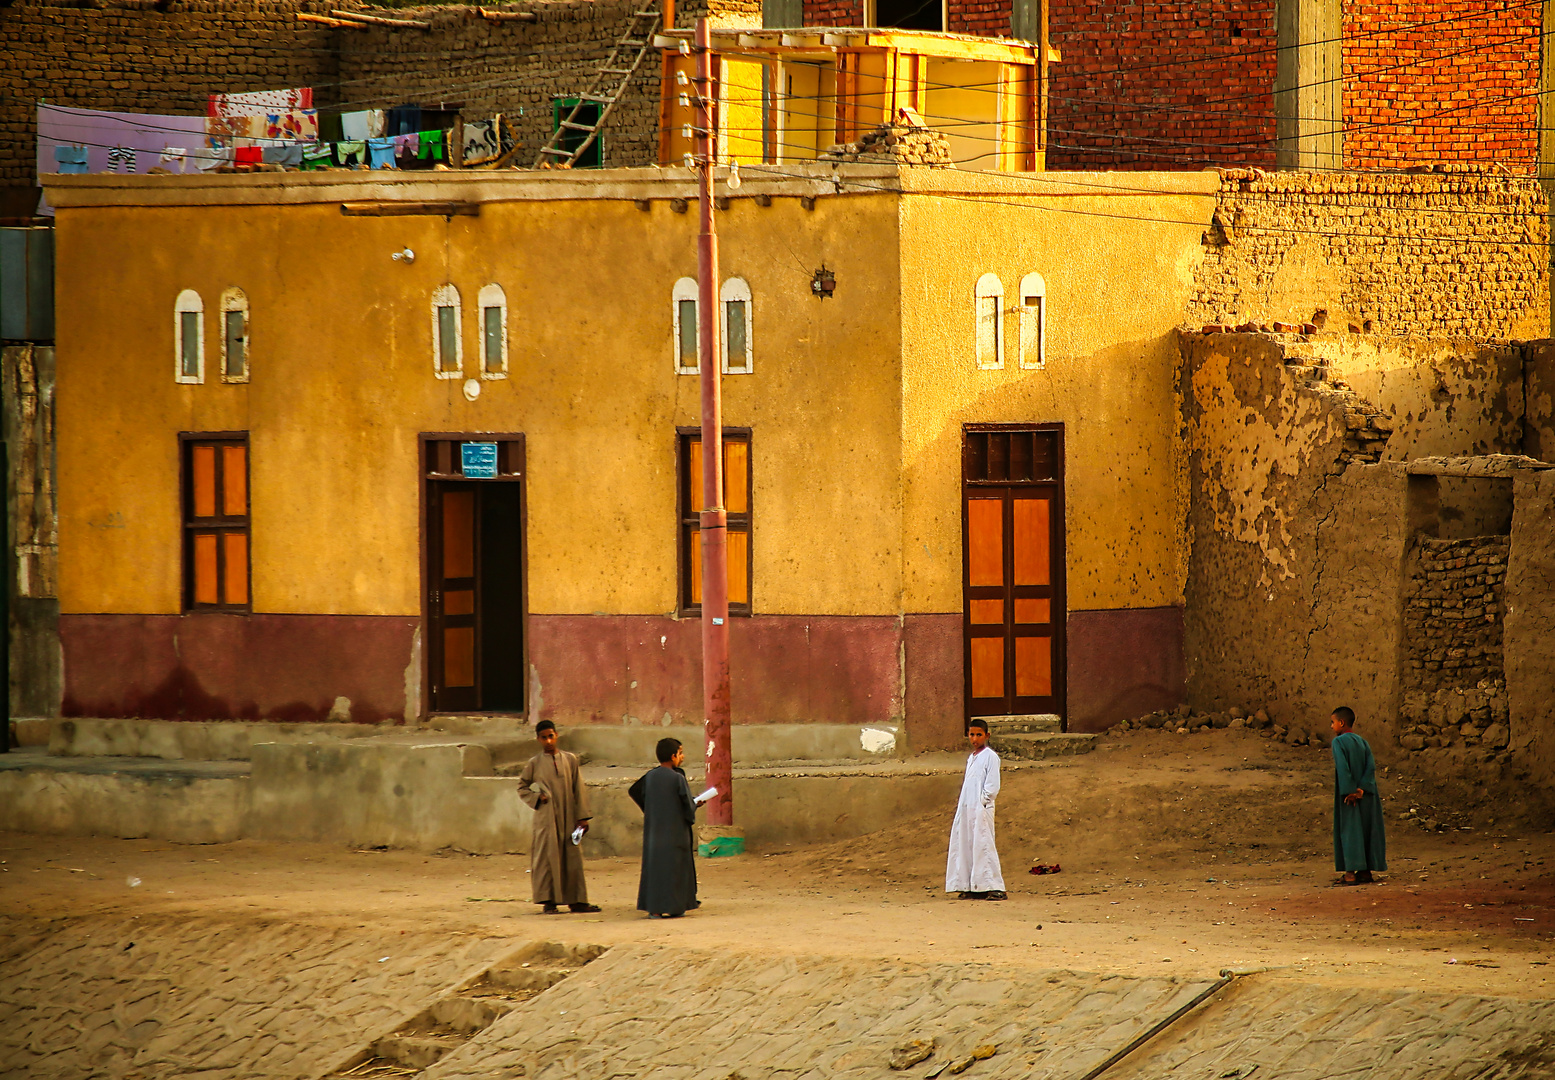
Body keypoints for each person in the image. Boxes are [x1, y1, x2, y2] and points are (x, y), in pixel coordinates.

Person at [517, 720, 601, 914]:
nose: (548, 741)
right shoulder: (534, 763)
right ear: (538, 739)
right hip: (547, 817)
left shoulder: (570, 759)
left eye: (551, 736)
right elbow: (522, 787)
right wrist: (537, 797)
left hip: (569, 815)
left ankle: (577, 901)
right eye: (544, 737)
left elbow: (578, 789)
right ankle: (549, 901)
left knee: (572, 857)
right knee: (547, 857)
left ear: (557, 736)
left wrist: (583, 817)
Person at [629, 737, 700, 918]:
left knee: (655, 870)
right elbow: (687, 806)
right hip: (675, 833)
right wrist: (696, 805)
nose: (682, 757)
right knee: (675, 870)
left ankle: (654, 909)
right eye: (680, 753)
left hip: (654, 833)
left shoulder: (651, 776)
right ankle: (676, 907)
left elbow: (636, 792)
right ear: (672, 756)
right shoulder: (677, 778)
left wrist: (650, 811)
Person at [946, 718, 1006, 900]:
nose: (975, 739)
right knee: (967, 843)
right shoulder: (971, 758)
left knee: (984, 844)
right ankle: (972, 886)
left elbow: (992, 786)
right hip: (967, 808)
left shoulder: (991, 757)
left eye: (979, 735)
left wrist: (983, 801)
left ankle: (995, 887)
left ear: (987, 735)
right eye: (972, 734)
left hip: (981, 808)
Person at [1330, 706, 1387, 885]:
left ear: (1341, 723)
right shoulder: (1363, 742)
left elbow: (1343, 768)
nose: (1331, 727)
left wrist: (1350, 792)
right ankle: (1365, 872)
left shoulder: (1338, 743)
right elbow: (1371, 767)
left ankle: (1350, 874)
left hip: (1349, 798)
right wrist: (1362, 789)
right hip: (1367, 795)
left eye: (1332, 722)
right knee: (1366, 829)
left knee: (1350, 831)